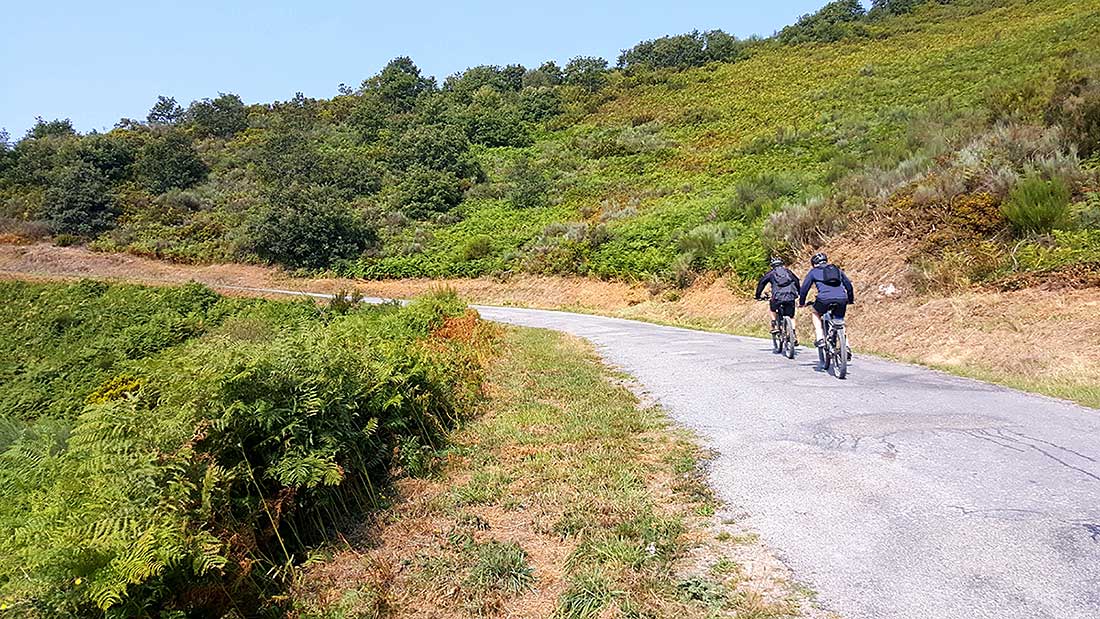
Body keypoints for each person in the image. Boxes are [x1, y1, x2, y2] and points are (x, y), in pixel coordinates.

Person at [798, 252, 854, 349]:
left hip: (823, 299)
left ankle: (820, 337)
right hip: (842, 298)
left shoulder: (813, 272)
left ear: (814, 264)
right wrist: (850, 299)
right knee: (839, 321)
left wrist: (802, 303)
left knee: (815, 313)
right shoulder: (837, 270)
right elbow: (848, 285)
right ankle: (846, 346)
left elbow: (804, 289)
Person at [755, 257, 801, 337]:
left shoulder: (771, 273)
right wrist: (799, 292)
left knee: (772, 308)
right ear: (782, 264)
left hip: (777, 297)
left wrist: (758, 295)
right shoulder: (788, 272)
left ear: (772, 266)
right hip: (790, 296)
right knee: (791, 316)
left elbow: (761, 283)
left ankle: (774, 325)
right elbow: (796, 281)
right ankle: (793, 334)